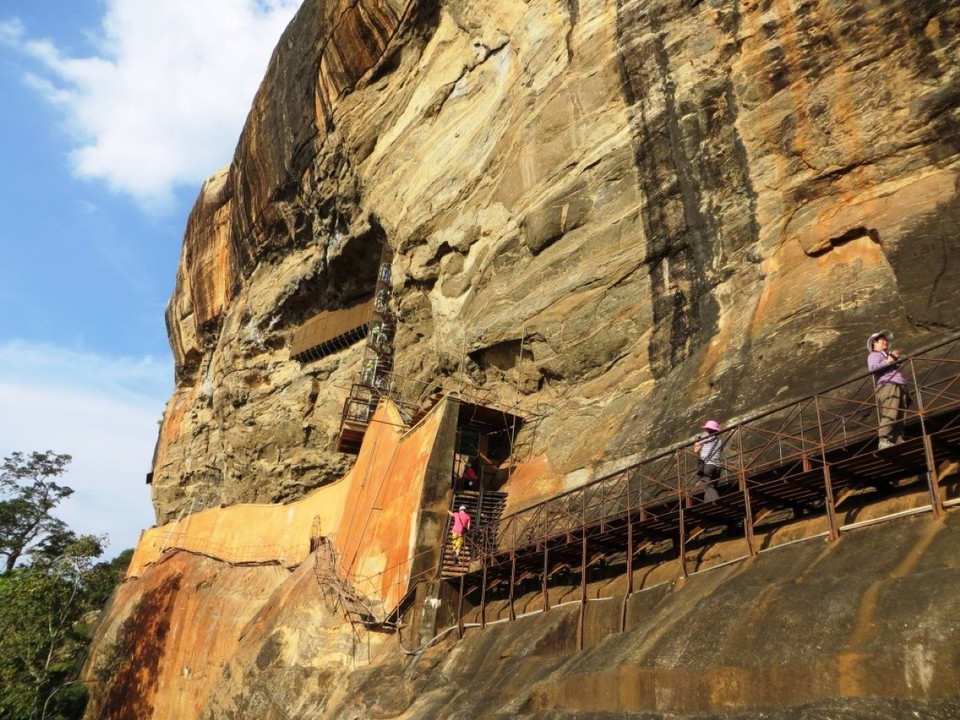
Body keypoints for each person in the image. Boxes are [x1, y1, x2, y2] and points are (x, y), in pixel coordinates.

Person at [867, 330, 911, 449]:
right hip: (888, 385)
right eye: (882, 339)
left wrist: (894, 358)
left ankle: (898, 439)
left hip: (898, 384)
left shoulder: (887, 354)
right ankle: (884, 440)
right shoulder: (874, 355)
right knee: (891, 413)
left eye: (886, 339)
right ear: (874, 343)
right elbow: (873, 369)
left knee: (899, 414)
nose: (885, 341)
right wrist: (889, 360)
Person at [694, 420, 723, 502]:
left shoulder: (705, 438)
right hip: (718, 466)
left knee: (707, 485)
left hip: (708, 465)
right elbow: (720, 450)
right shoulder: (719, 441)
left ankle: (717, 501)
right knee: (712, 486)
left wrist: (698, 443)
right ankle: (708, 503)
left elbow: (696, 449)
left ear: (708, 430)